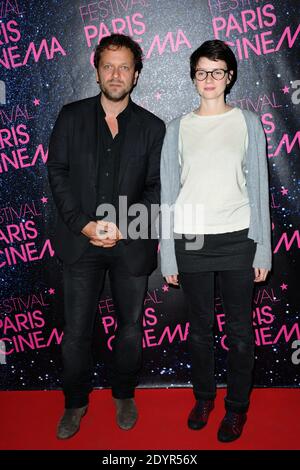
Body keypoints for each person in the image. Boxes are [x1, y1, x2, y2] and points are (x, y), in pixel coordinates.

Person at [47, 33, 165, 439]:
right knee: (77, 330)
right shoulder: (70, 116)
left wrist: (123, 226)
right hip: (80, 242)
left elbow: (156, 187)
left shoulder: (153, 127)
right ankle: (75, 402)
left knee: (130, 328)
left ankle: (124, 393)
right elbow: (57, 174)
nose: (116, 74)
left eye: (125, 67)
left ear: (136, 75)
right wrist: (84, 224)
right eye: (109, 65)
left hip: (130, 243)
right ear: (96, 71)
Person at [160, 39, 271, 442]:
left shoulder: (248, 122)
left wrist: (262, 247)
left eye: (217, 71)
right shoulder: (177, 129)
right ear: (193, 78)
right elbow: (169, 196)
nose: (210, 79)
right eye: (202, 71)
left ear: (230, 76)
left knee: (241, 332)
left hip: (240, 239)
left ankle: (237, 408)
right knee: (199, 330)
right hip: (191, 241)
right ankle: (204, 398)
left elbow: (259, 188)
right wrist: (168, 257)